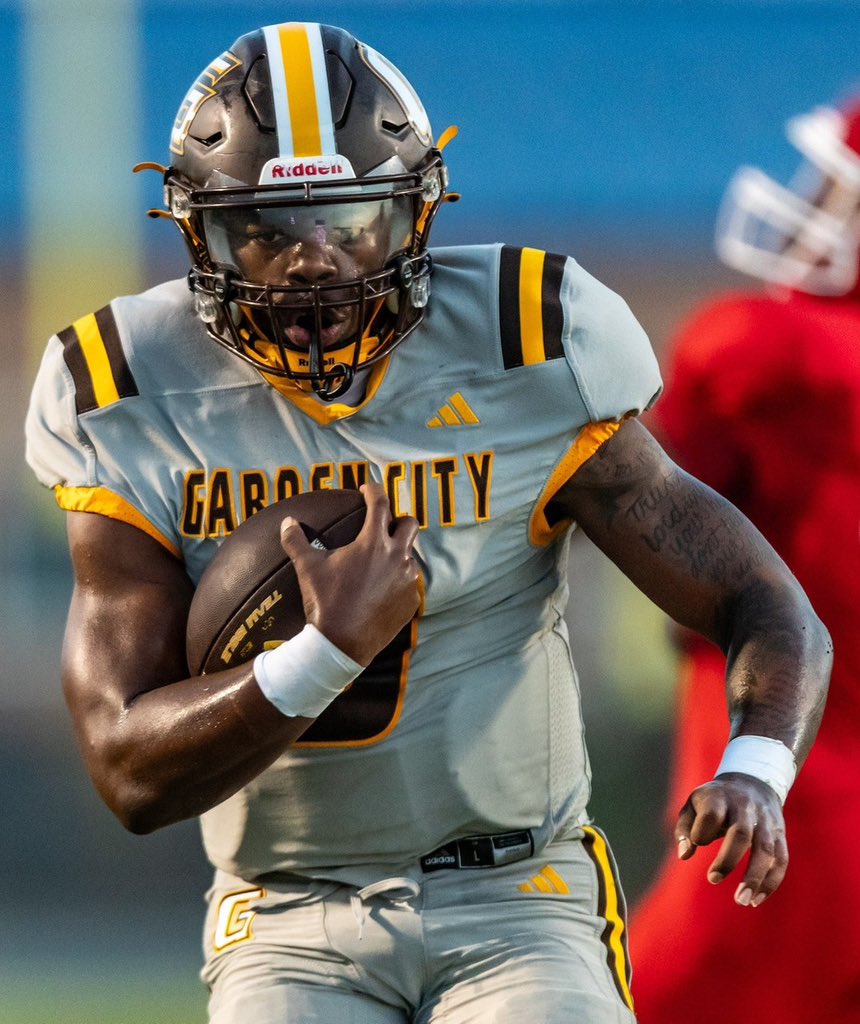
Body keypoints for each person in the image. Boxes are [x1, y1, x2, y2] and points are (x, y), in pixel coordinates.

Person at [25, 23, 832, 1024]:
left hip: (516, 895)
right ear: (198, 233)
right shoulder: (124, 390)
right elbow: (126, 767)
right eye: (265, 229)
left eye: (352, 219)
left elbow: (759, 597)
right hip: (284, 909)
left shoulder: (525, 342)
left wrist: (754, 768)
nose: (313, 267)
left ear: (416, 214)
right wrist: (322, 651)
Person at [629, 95, 860, 1023]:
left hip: (796, 823)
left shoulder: (769, 352)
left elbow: (629, 489)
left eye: (837, 189)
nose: (816, 209)